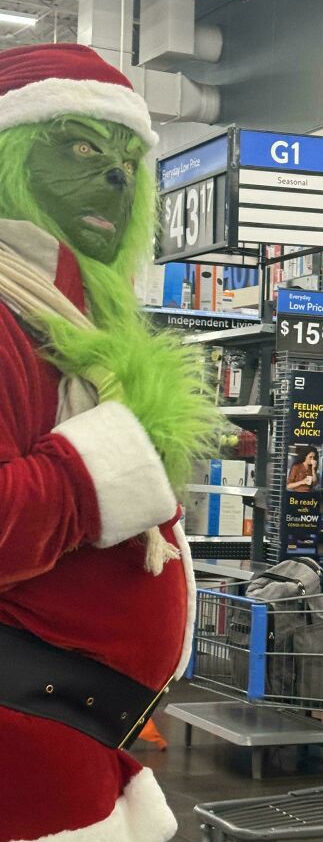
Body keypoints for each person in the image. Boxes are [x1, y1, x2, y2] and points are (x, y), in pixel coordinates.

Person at [0, 44, 220, 842]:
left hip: (72, 739)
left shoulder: (69, 315)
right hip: (24, 749)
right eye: (83, 149)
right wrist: (112, 457)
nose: (118, 179)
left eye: (131, 162)